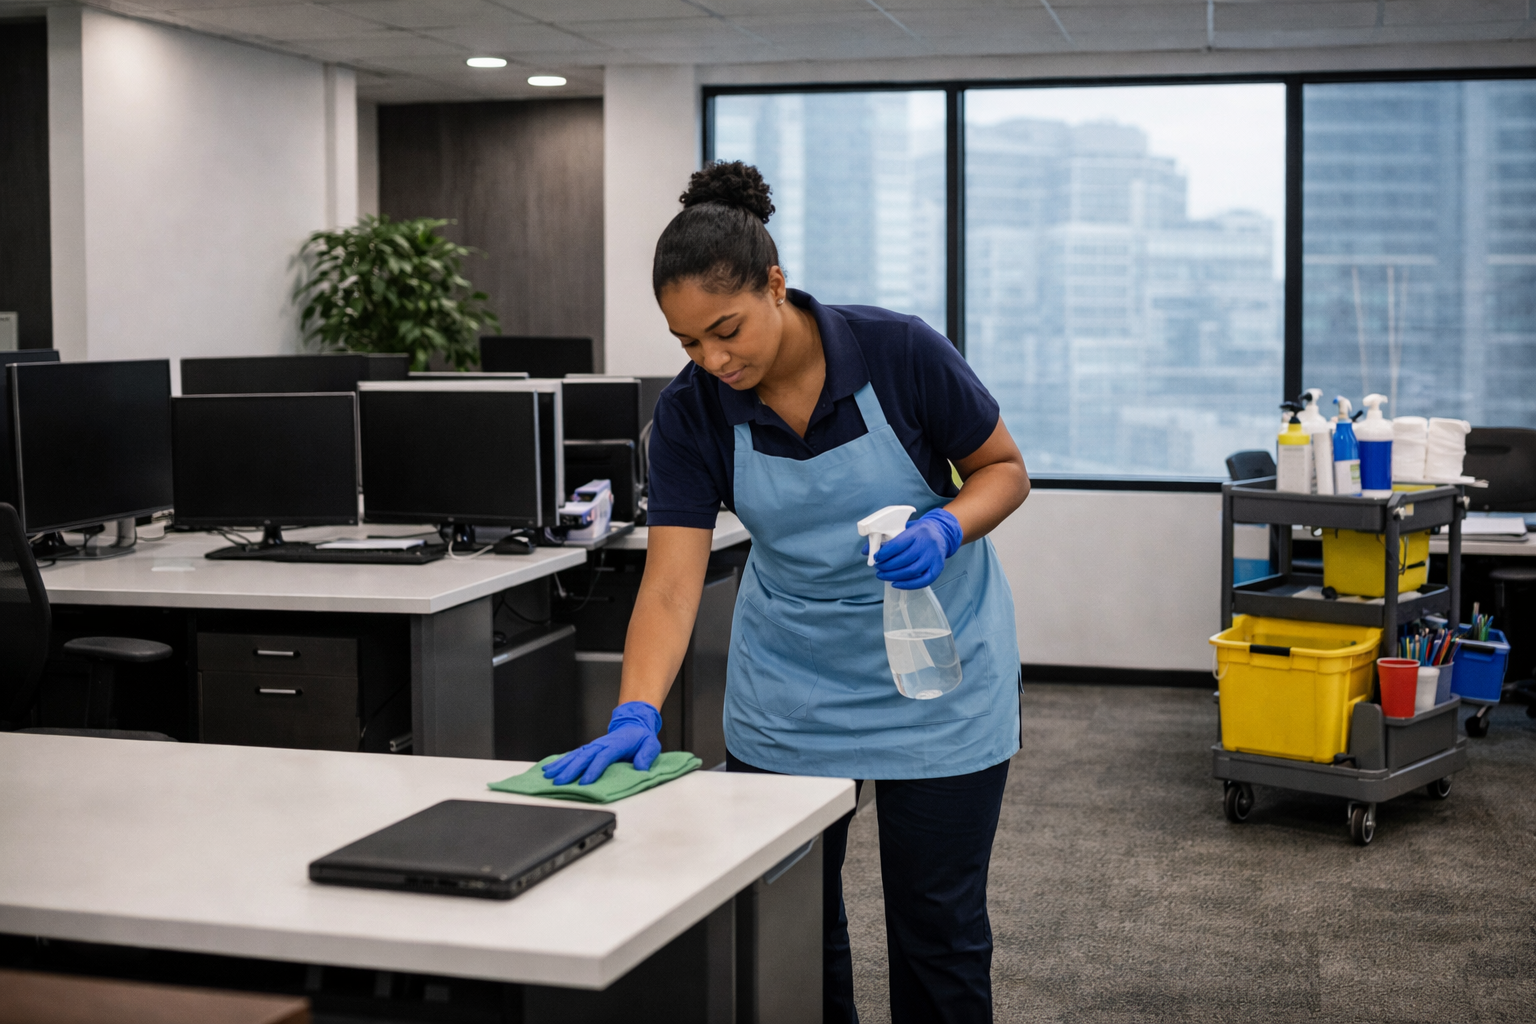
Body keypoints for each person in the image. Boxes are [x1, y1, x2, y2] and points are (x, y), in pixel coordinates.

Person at [544, 161, 1029, 1024]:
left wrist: (947, 527)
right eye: (688, 343)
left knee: (939, 928)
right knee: (792, 920)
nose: (713, 359)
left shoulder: (898, 351)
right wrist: (635, 711)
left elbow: (1003, 469)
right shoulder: (694, 413)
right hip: (793, 687)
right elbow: (669, 584)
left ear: (776, 284)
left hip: (936, 672)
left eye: (725, 330)